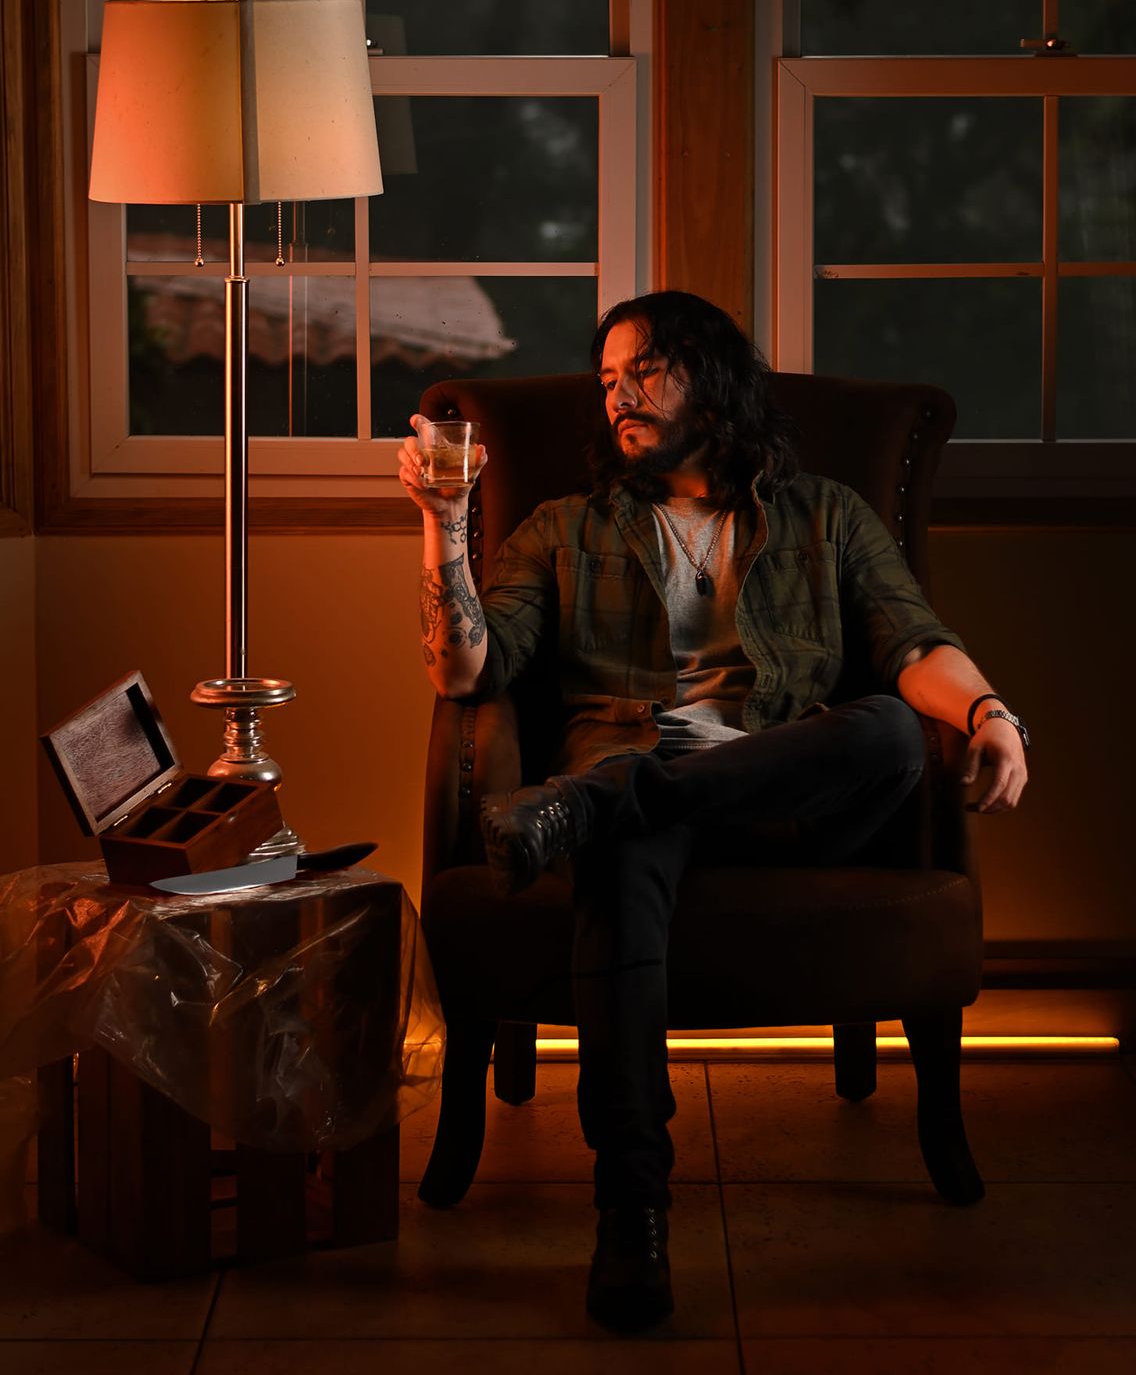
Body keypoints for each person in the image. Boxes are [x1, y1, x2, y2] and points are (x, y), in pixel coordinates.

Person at [397, 290, 1029, 1335]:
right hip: (644, 791)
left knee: (883, 728)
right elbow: (467, 671)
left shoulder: (825, 514)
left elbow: (915, 642)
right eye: (607, 380)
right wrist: (442, 522)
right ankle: (630, 1207)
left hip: (788, 795)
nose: (619, 396)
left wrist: (990, 712)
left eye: (644, 370)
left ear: (713, 377)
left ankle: (599, 803)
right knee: (623, 842)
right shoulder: (564, 527)